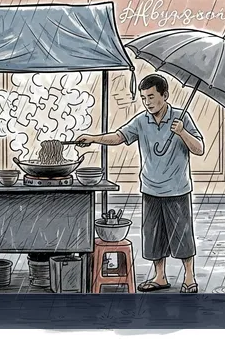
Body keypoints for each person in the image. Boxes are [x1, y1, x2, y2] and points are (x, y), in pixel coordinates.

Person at [76, 74, 205, 293]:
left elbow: (199, 148)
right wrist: (94, 138)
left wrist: (182, 132)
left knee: (181, 235)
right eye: (144, 98)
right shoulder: (141, 120)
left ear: (165, 95)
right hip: (150, 188)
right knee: (153, 237)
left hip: (176, 189)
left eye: (152, 97)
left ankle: (189, 278)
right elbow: (119, 137)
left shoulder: (181, 118)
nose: (147, 102)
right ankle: (160, 277)